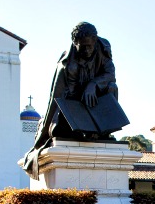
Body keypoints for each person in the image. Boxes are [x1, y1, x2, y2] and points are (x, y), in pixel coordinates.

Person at [22, 22, 122, 177]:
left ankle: (103, 131)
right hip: (75, 105)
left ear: (95, 41)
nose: (88, 50)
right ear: (75, 44)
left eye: (90, 46)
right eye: (83, 47)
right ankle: (86, 131)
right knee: (58, 127)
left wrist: (93, 84)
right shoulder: (66, 66)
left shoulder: (103, 49)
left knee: (112, 87)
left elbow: (110, 74)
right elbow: (56, 100)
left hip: (96, 101)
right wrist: (41, 140)